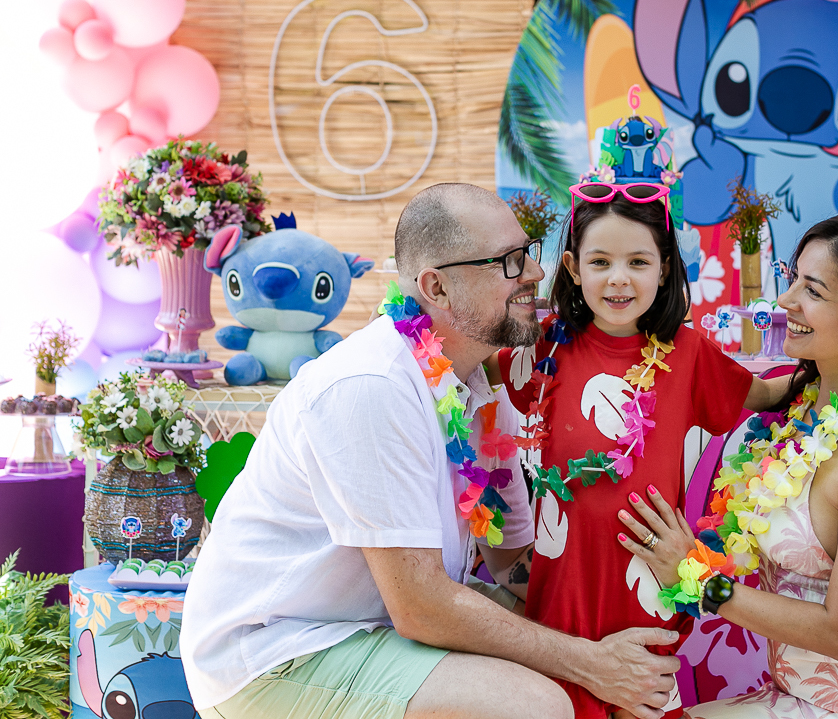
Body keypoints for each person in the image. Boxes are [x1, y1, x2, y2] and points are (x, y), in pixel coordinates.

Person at [180, 183, 681, 719]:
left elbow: (510, 562)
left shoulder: (477, 386)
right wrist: (590, 663)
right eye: (508, 262)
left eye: (529, 252)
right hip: (275, 651)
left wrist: (638, 589)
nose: (535, 273)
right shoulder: (372, 386)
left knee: (583, 649)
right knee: (535, 705)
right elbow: (421, 607)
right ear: (436, 287)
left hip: (374, 625)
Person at [615, 212, 838, 719]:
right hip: (793, 694)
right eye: (793, 279)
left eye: (812, 290)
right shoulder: (805, 405)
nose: (785, 301)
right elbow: (716, 377)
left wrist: (698, 576)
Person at [494, 185, 792, 719]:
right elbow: (467, 367)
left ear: (664, 268)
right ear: (573, 267)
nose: (618, 278)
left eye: (637, 262)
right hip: (563, 597)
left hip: (646, 591)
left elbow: (765, 395)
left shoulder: (689, 353)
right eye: (600, 262)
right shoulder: (544, 345)